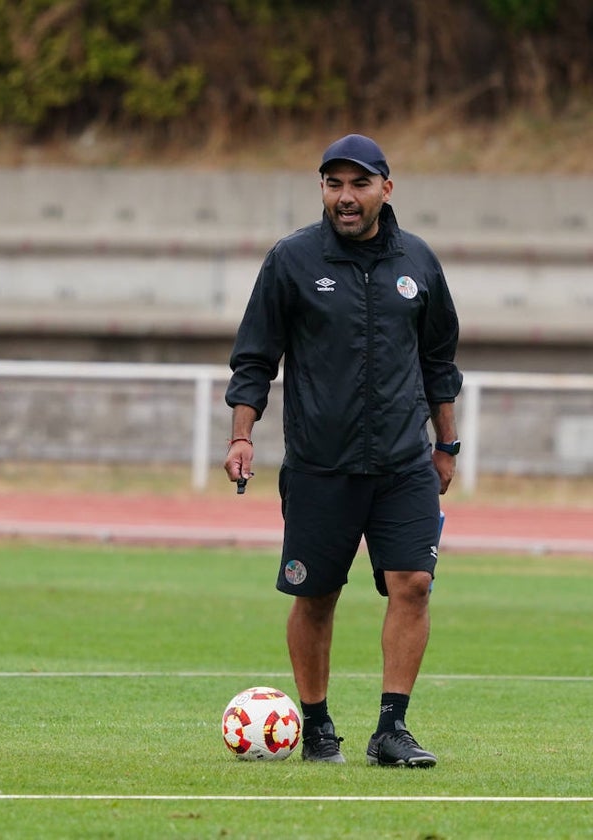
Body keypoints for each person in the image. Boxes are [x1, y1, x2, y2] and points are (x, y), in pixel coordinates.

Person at [223, 134, 462, 768]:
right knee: (317, 595)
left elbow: (440, 362)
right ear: (322, 189)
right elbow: (255, 356)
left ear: (387, 187)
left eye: (359, 184)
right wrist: (242, 434)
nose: (346, 197)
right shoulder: (292, 260)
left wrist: (447, 444)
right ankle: (317, 722)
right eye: (334, 184)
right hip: (319, 464)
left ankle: (391, 728)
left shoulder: (421, 264)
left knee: (413, 584)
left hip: (404, 462)